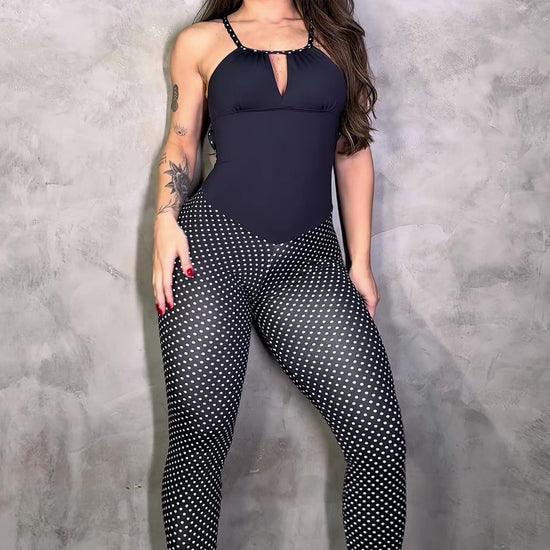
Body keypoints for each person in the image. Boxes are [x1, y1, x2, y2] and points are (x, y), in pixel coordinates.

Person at [152, 1, 407, 548]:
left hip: (308, 258)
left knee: (377, 434)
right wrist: (165, 221)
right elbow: (182, 139)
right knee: (198, 441)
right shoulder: (200, 41)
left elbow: (352, 151)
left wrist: (360, 262)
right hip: (209, 251)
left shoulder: (338, 39)